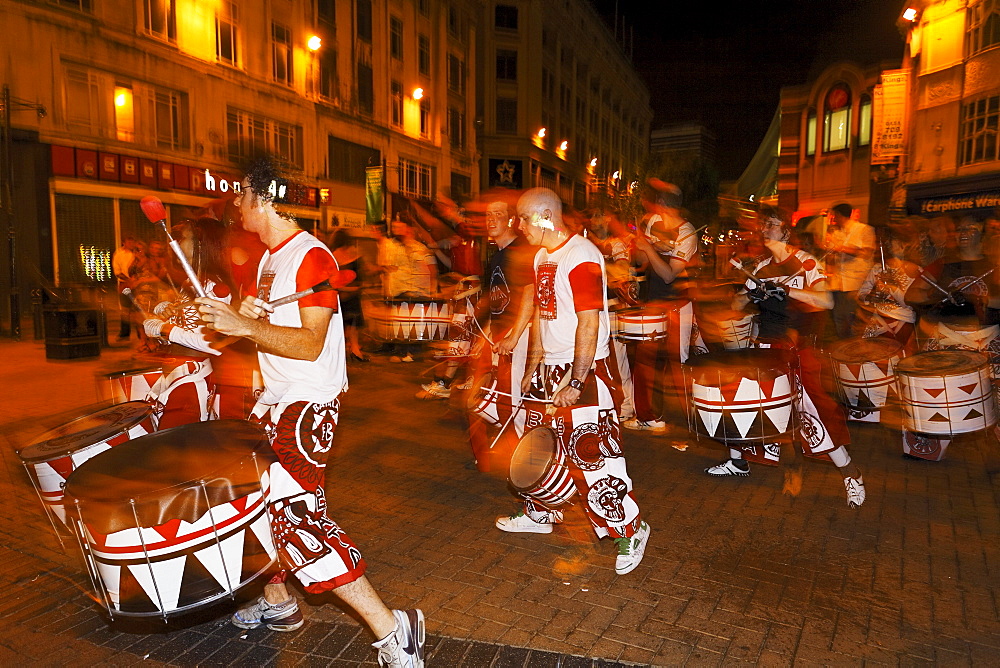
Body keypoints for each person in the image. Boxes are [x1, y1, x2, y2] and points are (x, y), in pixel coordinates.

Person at [196, 158, 425, 668]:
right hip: (276, 402)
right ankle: (277, 601)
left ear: (262, 199)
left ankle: (393, 630)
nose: (236, 205)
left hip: (307, 406)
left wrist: (247, 326)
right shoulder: (270, 259)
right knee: (254, 508)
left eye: (242, 196)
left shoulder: (312, 258)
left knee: (299, 524)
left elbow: (309, 343)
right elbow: (267, 327)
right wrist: (247, 316)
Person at [495, 187, 651, 576]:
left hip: (584, 371)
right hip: (551, 368)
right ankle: (539, 512)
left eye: (524, 217)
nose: (519, 225)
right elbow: (538, 308)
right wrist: (530, 359)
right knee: (536, 447)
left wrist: (577, 381)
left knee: (591, 455)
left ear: (546, 216)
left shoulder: (581, 256)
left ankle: (630, 529)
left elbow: (589, 320)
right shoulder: (543, 255)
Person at [705, 205, 866, 509]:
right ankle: (738, 462)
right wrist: (751, 293)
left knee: (811, 410)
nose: (765, 229)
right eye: (763, 225)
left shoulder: (805, 263)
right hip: (765, 347)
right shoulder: (760, 265)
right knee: (742, 399)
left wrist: (789, 292)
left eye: (771, 224)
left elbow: (826, 301)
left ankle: (850, 474)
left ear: (785, 230)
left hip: (796, 347)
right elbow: (737, 306)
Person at [141, 218, 243, 427]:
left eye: (184, 237)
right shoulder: (192, 281)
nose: (178, 242)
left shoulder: (216, 289)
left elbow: (213, 344)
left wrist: (167, 330)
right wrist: (164, 312)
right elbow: (190, 324)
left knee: (174, 445)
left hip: (192, 379)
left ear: (200, 244)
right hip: (177, 372)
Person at [624, 180, 703, 433]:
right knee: (644, 361)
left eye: (655, 202)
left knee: (678, 363)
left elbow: (670, 275)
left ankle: (697, 419)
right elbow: (639, 262)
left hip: (677, 305)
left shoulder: (687, 232)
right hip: (653, 302)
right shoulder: (650, 223)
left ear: (662, 204)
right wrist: (642, 247)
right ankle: (648, 416)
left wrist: (650, 247)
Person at [824, 203, 875, 340]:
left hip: (855, 282)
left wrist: (842, 249)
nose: (833, 219)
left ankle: (855, 346)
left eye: (834, 215)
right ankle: (843, 345)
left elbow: (867, 252)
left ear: (839, 215)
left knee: (853, 317)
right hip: (838, 281)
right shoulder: (836, 233)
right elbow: (831, 256)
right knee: (838, 317)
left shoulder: (864, 230)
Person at [329, 229, 369, 362]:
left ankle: (347, 350)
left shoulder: (334, 255)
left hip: (343, 294)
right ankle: (355, 350)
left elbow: (333, 280)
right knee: (353, 325)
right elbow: (362, 272)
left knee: (345, 324)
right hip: (351, 294)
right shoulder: (353, 252)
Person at [113, 236, 139, 340]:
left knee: (138, 309)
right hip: (125, 283)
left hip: (137, 283)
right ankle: (124, 332)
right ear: (124, 242)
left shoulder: (137, 253)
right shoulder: (119, 254)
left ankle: (140, 334)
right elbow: (117, 271)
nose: (131, 244)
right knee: (125, 309)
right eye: (129, 241)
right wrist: (128, 280)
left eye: (133, 241)